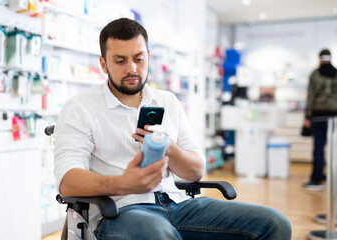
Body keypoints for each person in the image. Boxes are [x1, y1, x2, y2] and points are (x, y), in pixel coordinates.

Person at [54, 18, 291, 239]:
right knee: (158, 232)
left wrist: (169, 149)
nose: (132, 69)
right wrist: (124, 183)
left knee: (275, 223)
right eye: (120, 61)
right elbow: (67, 180)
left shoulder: (167, 101)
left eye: (139, 59)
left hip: (179, 205)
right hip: (121, 211)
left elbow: (197, 170)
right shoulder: (80, 108)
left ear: (148, 56)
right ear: (103, 64)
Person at [302, 49, 337, 191]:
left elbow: (310, 97)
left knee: (319, 149)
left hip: (318, 117)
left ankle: (317, 179)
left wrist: (307, 116)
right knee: (334, 149)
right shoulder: (336, 73)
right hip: (335, 116)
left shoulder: (315, 74)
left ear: (320, 58)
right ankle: (333, 179)